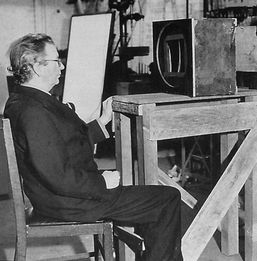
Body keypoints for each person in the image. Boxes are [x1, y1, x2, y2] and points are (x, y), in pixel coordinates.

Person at [4, 33, 183, 261]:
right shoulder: (33, 112)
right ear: (36, 67)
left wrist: (102, 121)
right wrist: (101, 182)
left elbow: (65, 144)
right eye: (56, 60)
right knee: (166, 200)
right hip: (67, 201)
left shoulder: (28, 100)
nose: (62, 65)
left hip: (62, 194)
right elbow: (57, 175)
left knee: (149, 202)